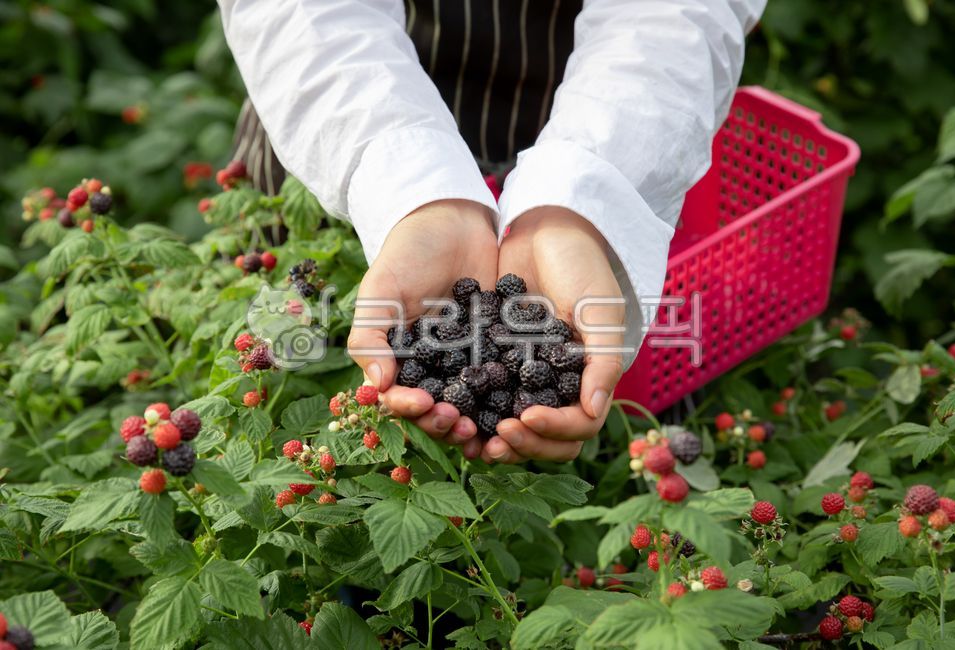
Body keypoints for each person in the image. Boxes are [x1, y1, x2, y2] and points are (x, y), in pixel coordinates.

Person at [217, 0, 765, 463]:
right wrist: (410, 193)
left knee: (620, 451)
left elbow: (673, 15)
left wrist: (574, 205)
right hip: (330, 107)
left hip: (587, 111)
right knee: (280, 390)